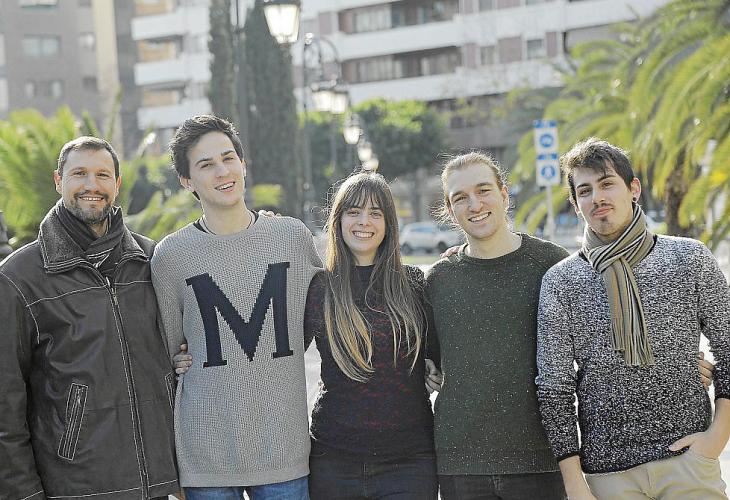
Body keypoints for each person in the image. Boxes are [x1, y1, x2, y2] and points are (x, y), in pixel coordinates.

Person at [537, 138, 730, 499]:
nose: (597, 197)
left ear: (634, 189)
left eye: (607, 183)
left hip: (688, 463)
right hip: (607, 476)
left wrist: (717, 437)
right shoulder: (561, 281)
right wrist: (575, 484)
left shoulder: (689, 258)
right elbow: (553, 388)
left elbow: (728, 345)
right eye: (585, 191)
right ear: (576, 205)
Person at [151, 115, 321, 499]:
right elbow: (169, 348)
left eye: (228, 158)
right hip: (206, 457)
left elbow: (323, 313)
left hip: (284, 451)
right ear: (186, 181)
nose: (222, 171)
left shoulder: (291, 237)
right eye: (206, 164)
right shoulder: (171, 256)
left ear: (243, 164)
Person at [0, 137, 179, 499]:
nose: (91, 185)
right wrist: (23, 494)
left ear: (117, 183)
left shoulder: (152, 260)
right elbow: (5, 402)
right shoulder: (18, 278)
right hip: (76, 487)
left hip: (160, 484)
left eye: (102, 175)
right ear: (58, 181)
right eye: (79, 173)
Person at [425, 152, 569, 499]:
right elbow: (430, 364)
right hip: (461, 464)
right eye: (461, 198)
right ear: (450, 210)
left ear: (504, 195)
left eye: (483, 190)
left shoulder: (551, 265)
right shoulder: (439, 279)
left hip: (540, 460)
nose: (474, 205)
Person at [304, 172, 438, 499]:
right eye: (354, 211)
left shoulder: (414, 284)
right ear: (338, 221)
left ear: (389, 223)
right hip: (334, 461)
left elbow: (442, 354)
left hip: (410, 463)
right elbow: (275, 351)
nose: (364, 221)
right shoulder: (320, 288)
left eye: (375, 213)